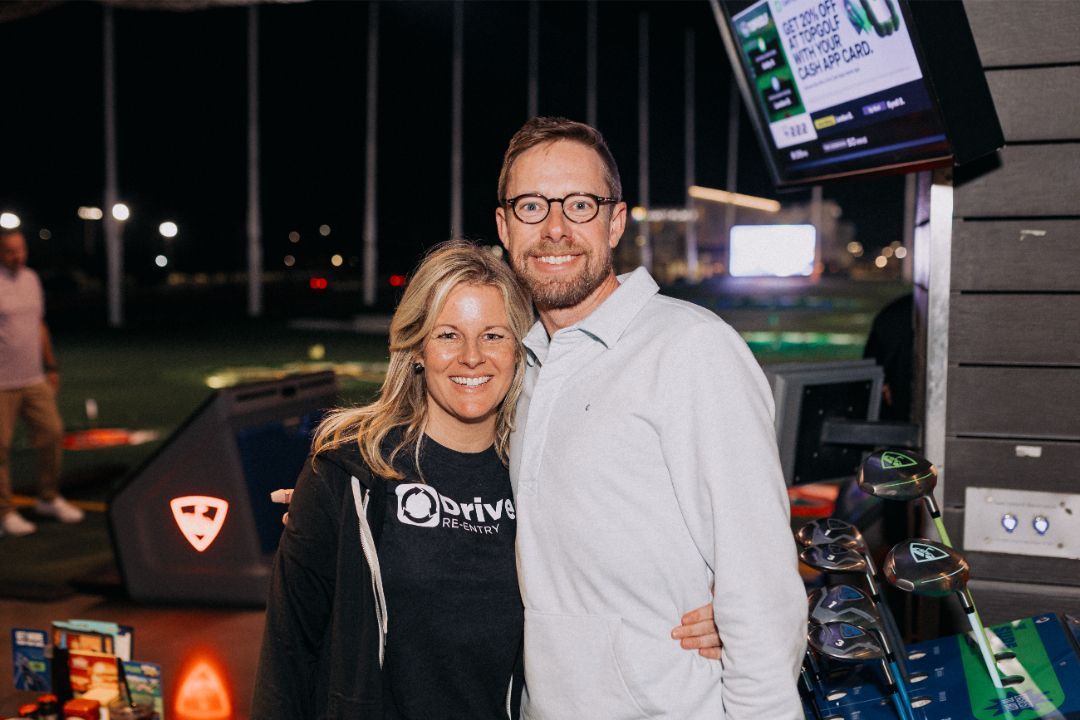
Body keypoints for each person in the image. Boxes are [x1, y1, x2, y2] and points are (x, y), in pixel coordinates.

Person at [253, 241, 719, 719]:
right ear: (416, 348)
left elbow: (625, 558)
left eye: (493, 336)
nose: (472, 357)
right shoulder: (349, 474)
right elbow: (288, 653)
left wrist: (719, 605)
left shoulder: (542, 474)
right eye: (448, 335)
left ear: (521, 349)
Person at [494, 117, 806, 719]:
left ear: (615, 222)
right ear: (505, 227)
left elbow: (762, 590)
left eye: (579, 205)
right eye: (532, 206)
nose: (555, 228)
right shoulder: (527, 366)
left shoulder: (692, 349)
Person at [0, 228, 83, 537]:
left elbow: (38, 324)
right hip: (1, 383)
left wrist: (51, 366)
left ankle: (48, 498)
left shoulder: (31, 279)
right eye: (9, 251)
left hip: (33, 378)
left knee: (52, 434)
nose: (17, 255)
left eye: (20, 249)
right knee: (0, 448)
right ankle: (4, 513)